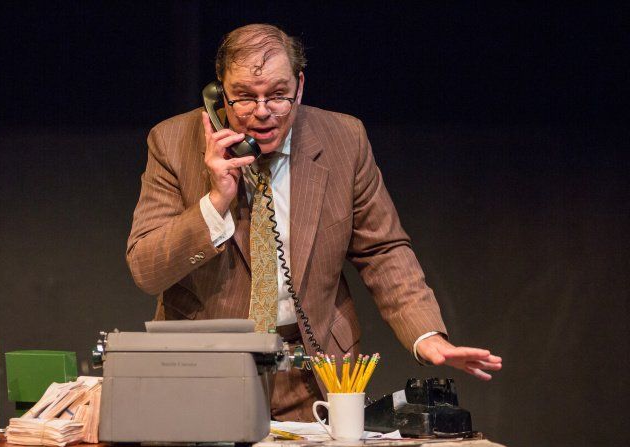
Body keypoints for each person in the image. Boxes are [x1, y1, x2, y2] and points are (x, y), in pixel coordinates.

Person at [127, 23, 502, 421]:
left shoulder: (345, 139)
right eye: (243, 98)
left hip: (314, 373)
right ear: (218, 92)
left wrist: (426, 335)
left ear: (299, 87)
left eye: (277, 96)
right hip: (205, 373)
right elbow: (147, 269)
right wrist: (216, 200)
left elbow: (383, 249)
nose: (262, 112)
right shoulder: (170, 142)